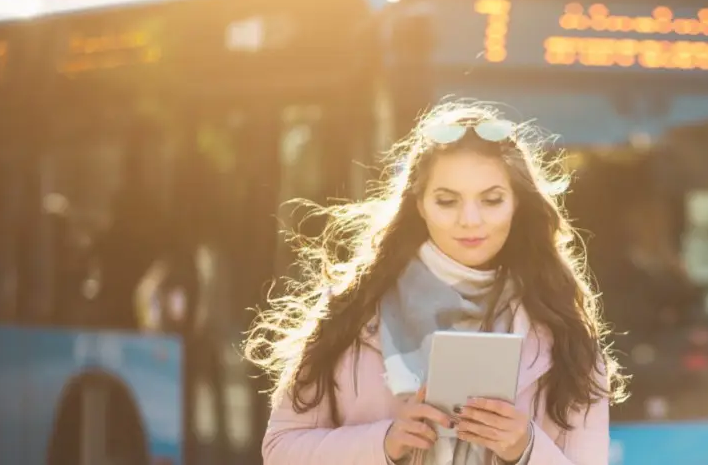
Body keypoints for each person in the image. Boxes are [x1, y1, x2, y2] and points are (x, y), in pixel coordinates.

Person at [244, 102, 627, 465]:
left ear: (517, 204)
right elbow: (280, 450)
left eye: (491, 200)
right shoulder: (351, 309)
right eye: (447, 201)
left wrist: (524, 448)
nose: (471, 219)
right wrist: (385, 443)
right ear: (419, 203)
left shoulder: (567, 332)